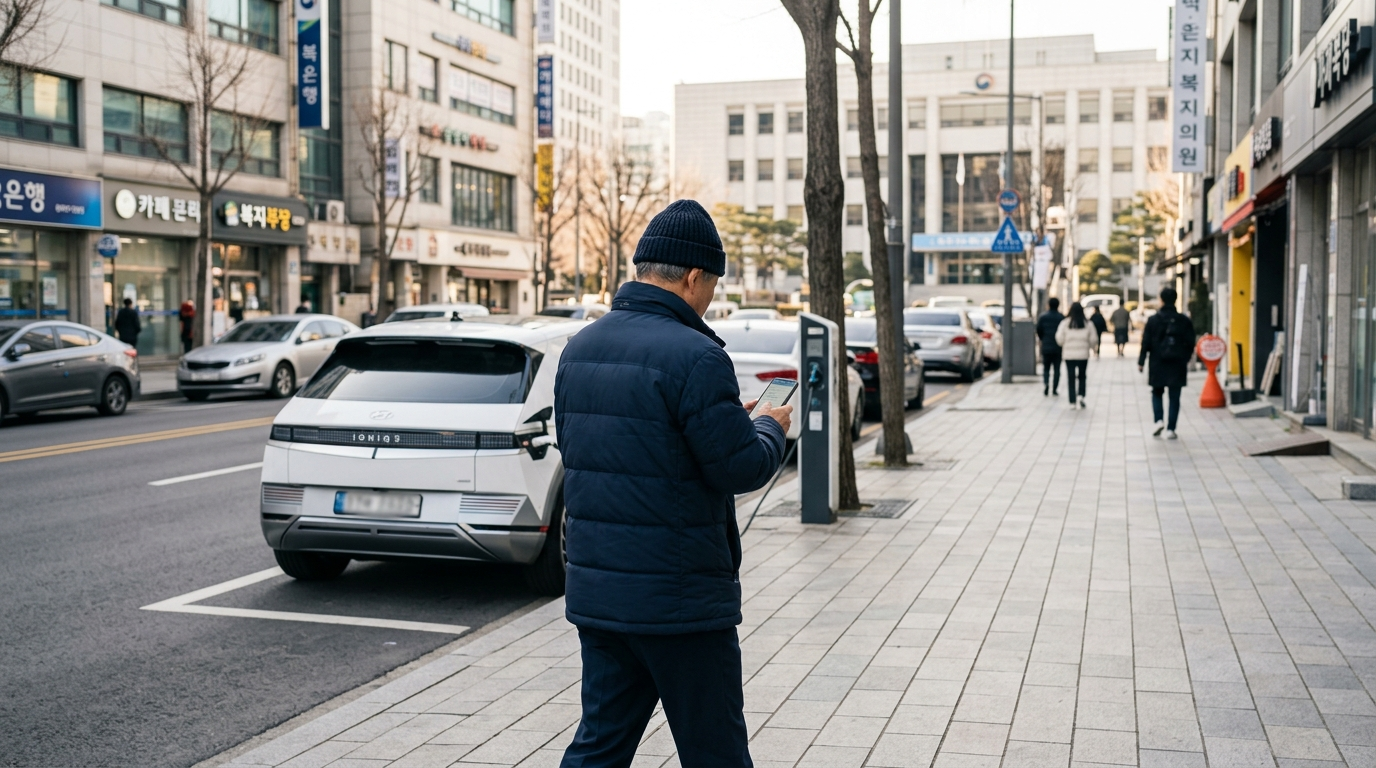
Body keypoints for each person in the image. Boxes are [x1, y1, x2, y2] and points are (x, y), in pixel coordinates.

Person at [554, 199, 791, 768]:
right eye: (711, 283)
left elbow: (602, 451)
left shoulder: (579, 349)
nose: (710, 298)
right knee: (715, 753)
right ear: (692, 277)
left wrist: (723, 419)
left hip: (601, 595)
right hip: (680, 603)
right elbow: (740, 468)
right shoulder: (697, 356)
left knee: (599, 745)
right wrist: (767, 428)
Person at [1138, 287, 1196, 439]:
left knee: (1157, 392)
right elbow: (1191, 342)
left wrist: (1141, 361)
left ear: (1161, 300)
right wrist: (1186, 358)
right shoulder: (1183, 320)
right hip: (1177, 363)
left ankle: (1158, 420)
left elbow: (1146, 342)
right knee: (1175, 395)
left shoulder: (1153, 320)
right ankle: (1171, 429)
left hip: (1158, 361)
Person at [1056, 302, 1098, 409]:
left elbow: (1059, 338)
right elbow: (1094, 339)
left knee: (1071, 377)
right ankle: (1081, 395)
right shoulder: (1088, 324)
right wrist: (1092, 347)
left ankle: (1072, 401)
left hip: (1069, 355)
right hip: (1083, 355)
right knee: (1082, 376)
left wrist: (1064, 345)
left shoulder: (1065, 323)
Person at [1036, 297, 1065, 397]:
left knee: (1046, 368)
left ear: (1049, 304)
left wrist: (1043, 339)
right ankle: (1054, 389)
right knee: (1057, 369)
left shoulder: (1043, 317)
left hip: (1046, 346)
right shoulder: (1061, 317)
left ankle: (1046, 383)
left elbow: (1039, 330)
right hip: (1058, 347)